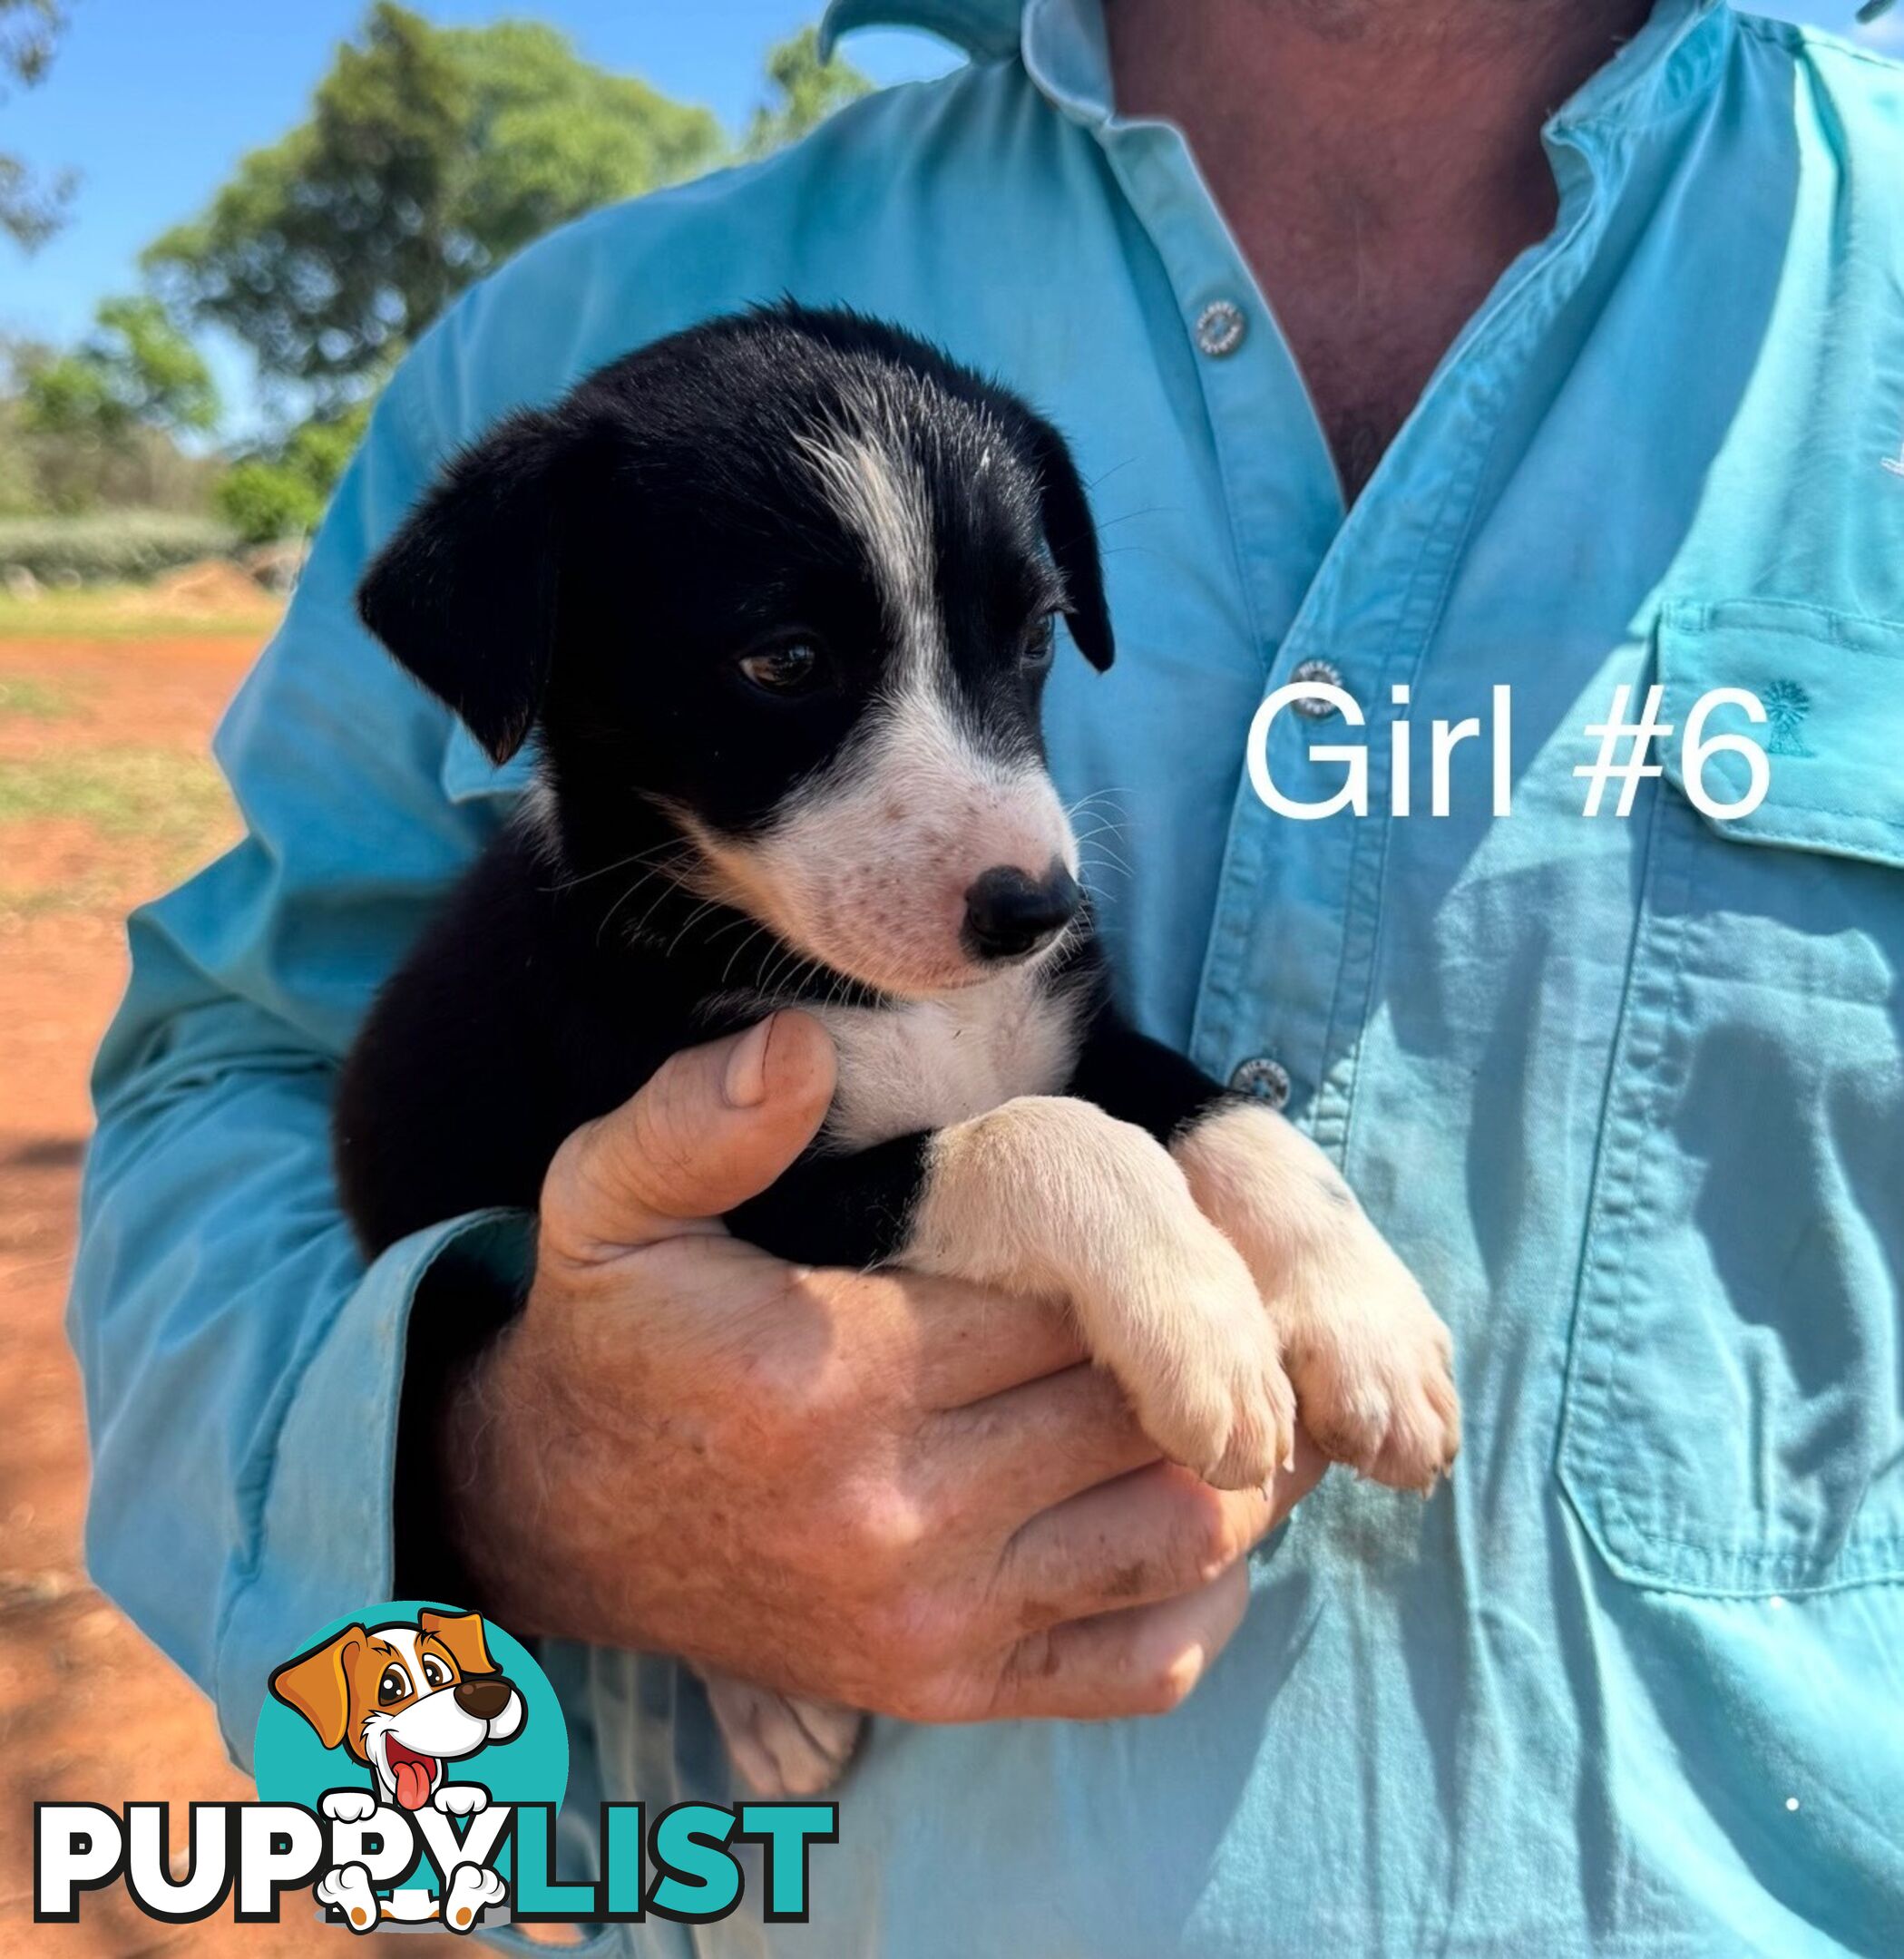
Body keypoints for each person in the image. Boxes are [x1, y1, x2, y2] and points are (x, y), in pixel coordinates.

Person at [72, 0, 1904, 1952]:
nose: (1016, 843)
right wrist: (505, 1490)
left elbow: (1088, 1066)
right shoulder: (575, 356)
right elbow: (242, 1077)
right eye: (791, 674)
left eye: (1019, 657)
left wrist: (1250, 1193)